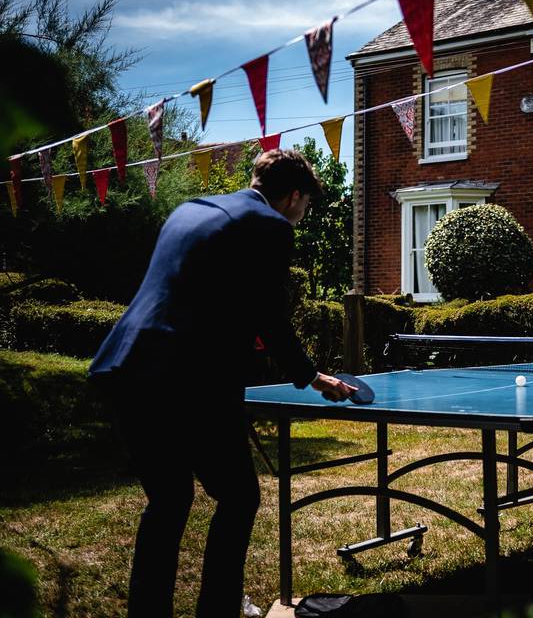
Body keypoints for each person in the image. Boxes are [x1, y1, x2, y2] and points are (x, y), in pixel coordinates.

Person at [89, 149, 356, 616]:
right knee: (239, 495)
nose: (302, 215)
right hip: (186, 379)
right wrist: (311, 376)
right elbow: (269, 316)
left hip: (127, 366)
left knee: (168, 501)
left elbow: (195, 292)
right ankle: (219, 609)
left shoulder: (190, 209)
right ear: (293, 196)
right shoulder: (270, 226)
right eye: (305, 206)